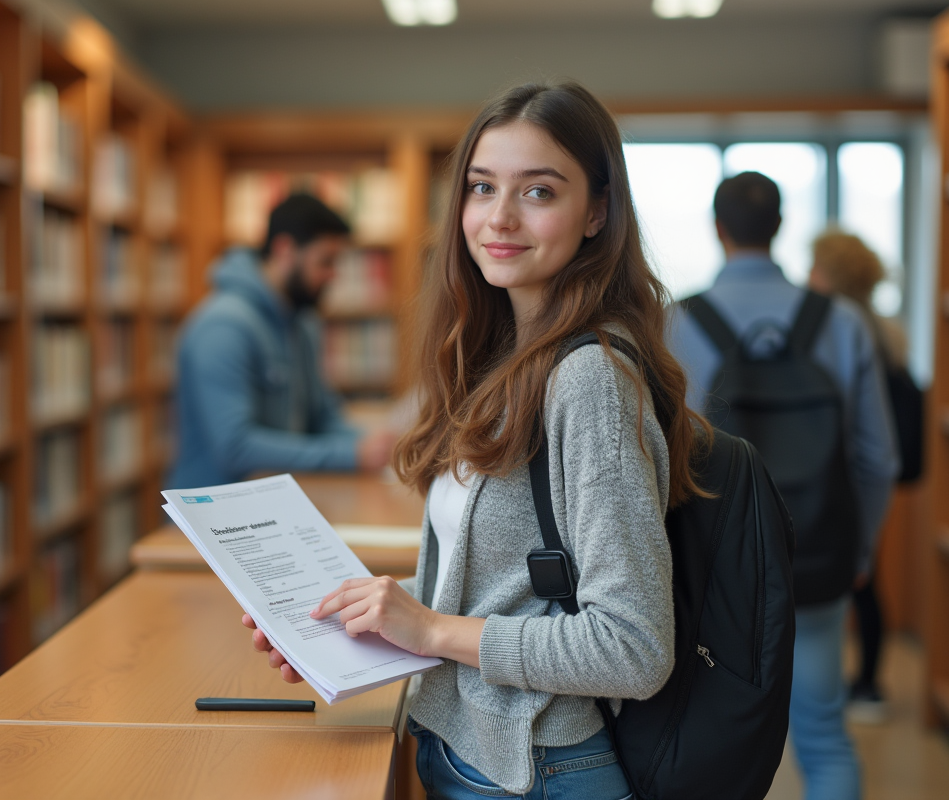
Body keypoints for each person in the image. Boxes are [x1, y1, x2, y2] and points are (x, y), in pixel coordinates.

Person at [244, 82, 710, 799]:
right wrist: (338, 621)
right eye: (482, 187)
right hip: (472, 752)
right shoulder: (500, 361)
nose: (499, 217)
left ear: (597, 213)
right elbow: (495, 596)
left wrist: (430, 632)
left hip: (541, 769)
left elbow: (633, 646)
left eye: (539, 192)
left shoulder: (589, 381)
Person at [667, 175, 899, 800]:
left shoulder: (674, 323)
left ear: (718, 228)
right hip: (817, 554)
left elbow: (653, 458)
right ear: (781, 227)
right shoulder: (842, 322)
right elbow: (878, 457)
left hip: (712, 568)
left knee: (707, 739)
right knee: (823, 732)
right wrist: (861, 552)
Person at [168, 193, 396, 489]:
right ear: (285, 250)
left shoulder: (302, 323)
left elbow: (322, 417)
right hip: (213, 522)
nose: (333, 276)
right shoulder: (222, 327)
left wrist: (374, 445)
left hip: (273, 506)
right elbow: (235, 448)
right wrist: (350, 455)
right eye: (325, 262)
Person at [809, 230, 912, 723]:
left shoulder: (840, 327)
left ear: (830, 273)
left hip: (844, 478)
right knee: (864, 582)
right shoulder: (883, 327)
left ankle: (865, 683)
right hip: (867, 478)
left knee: (859, 580)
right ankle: (867, 681)